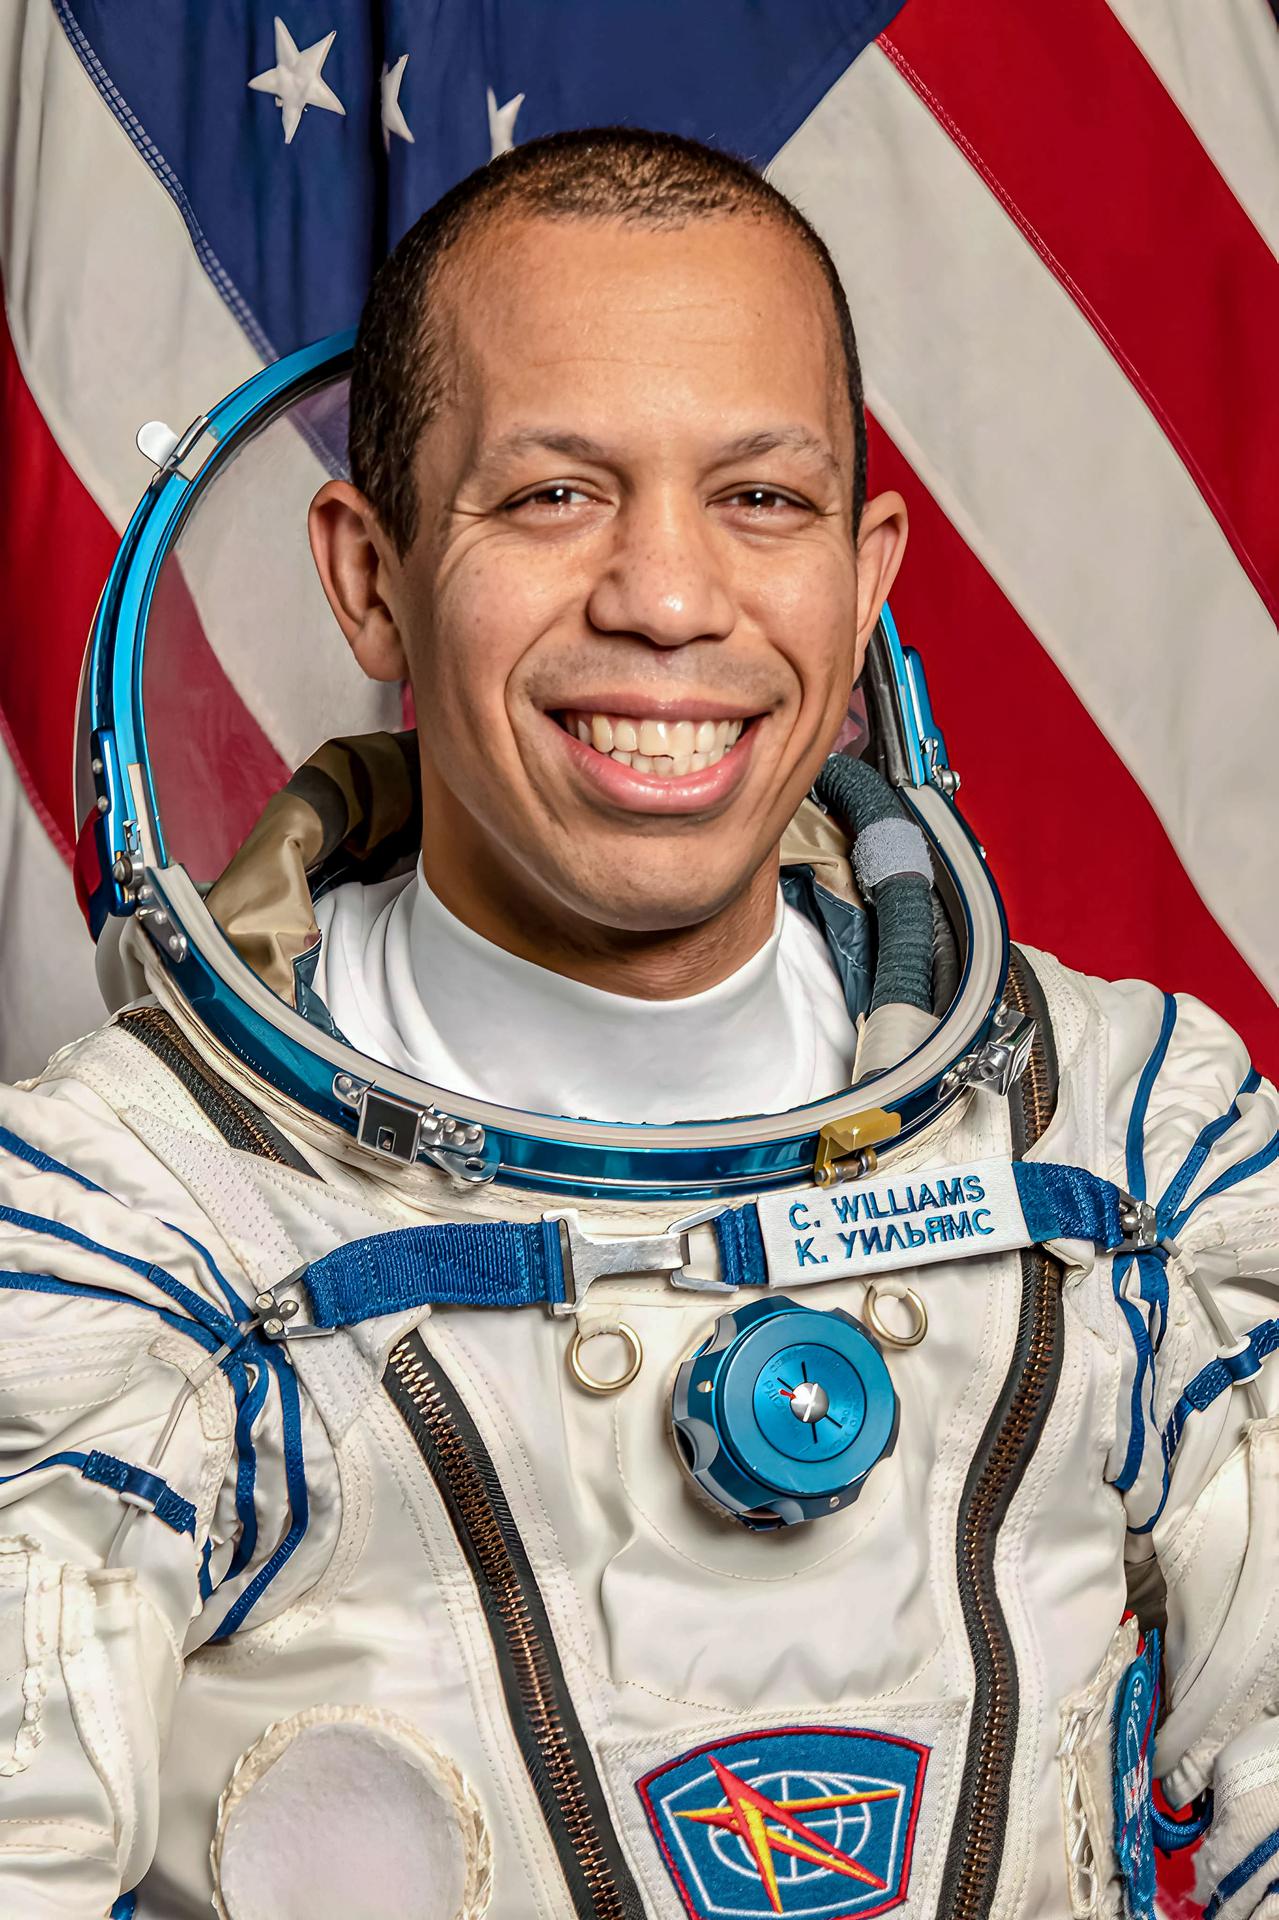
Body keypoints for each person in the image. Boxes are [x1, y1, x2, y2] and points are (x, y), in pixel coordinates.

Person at [2, 127, 1277, 1920]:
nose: (669, 599)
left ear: (865, 577)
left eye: (761, 498)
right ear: (370, 577)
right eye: (552, 496)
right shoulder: (130, 1233)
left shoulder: (1127, 1156)